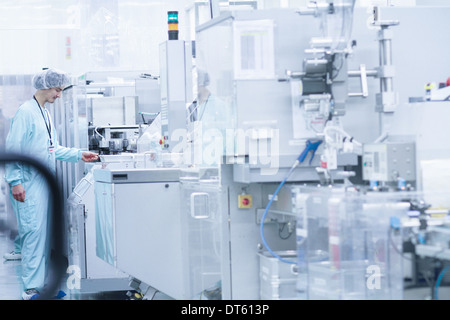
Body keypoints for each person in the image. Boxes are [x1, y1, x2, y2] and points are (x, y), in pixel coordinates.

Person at [4, 68, 99, 300]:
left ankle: (43, 286)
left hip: (41, 186)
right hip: (27, 183)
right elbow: (13, 149)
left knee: (44, 236)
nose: (59, 95)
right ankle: (30, 290)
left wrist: (79, 154)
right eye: (58, 90)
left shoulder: (44, 114)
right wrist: (15, 181)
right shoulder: (25, 113)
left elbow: (52, 149)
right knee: (33, 235)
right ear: (46, 86)